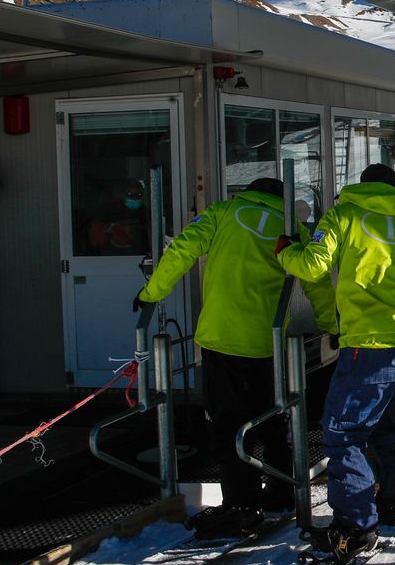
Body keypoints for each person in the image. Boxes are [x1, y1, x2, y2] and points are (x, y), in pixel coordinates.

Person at [135, 176, 338, 539]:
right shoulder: (291, 227)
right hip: (267, 341)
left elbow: (181, 250)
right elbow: (317, 282)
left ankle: (242, 504)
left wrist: (152, 292)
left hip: (222, 339)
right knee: (274, 417)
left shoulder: (222, 213)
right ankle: (282, 491)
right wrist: (330, 325)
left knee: (228, 423)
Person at [276, 163, 395, 565]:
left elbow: (312, 266)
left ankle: (355, 527)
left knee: (344, 434)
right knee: (390, 428)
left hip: (366, 343)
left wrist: (287, 250)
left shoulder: (344, 216)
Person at [87, 179, 150, 255]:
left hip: (137, 253)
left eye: (138, 195)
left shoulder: (145, 212)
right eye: (130, 194)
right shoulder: (108, 210)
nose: (134, 198)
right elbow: (96, 232)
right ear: (122, 194)